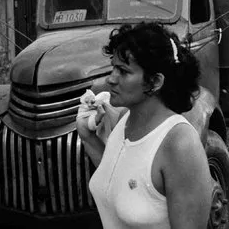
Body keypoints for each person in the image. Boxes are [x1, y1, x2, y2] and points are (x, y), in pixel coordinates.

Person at [77, 23, 211, 229]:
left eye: (123, 71)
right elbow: (123, 182)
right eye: (113, 68)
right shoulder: (124, 120)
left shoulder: (180, 144)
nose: (110, 79)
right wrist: (88, 137)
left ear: (155, 82)